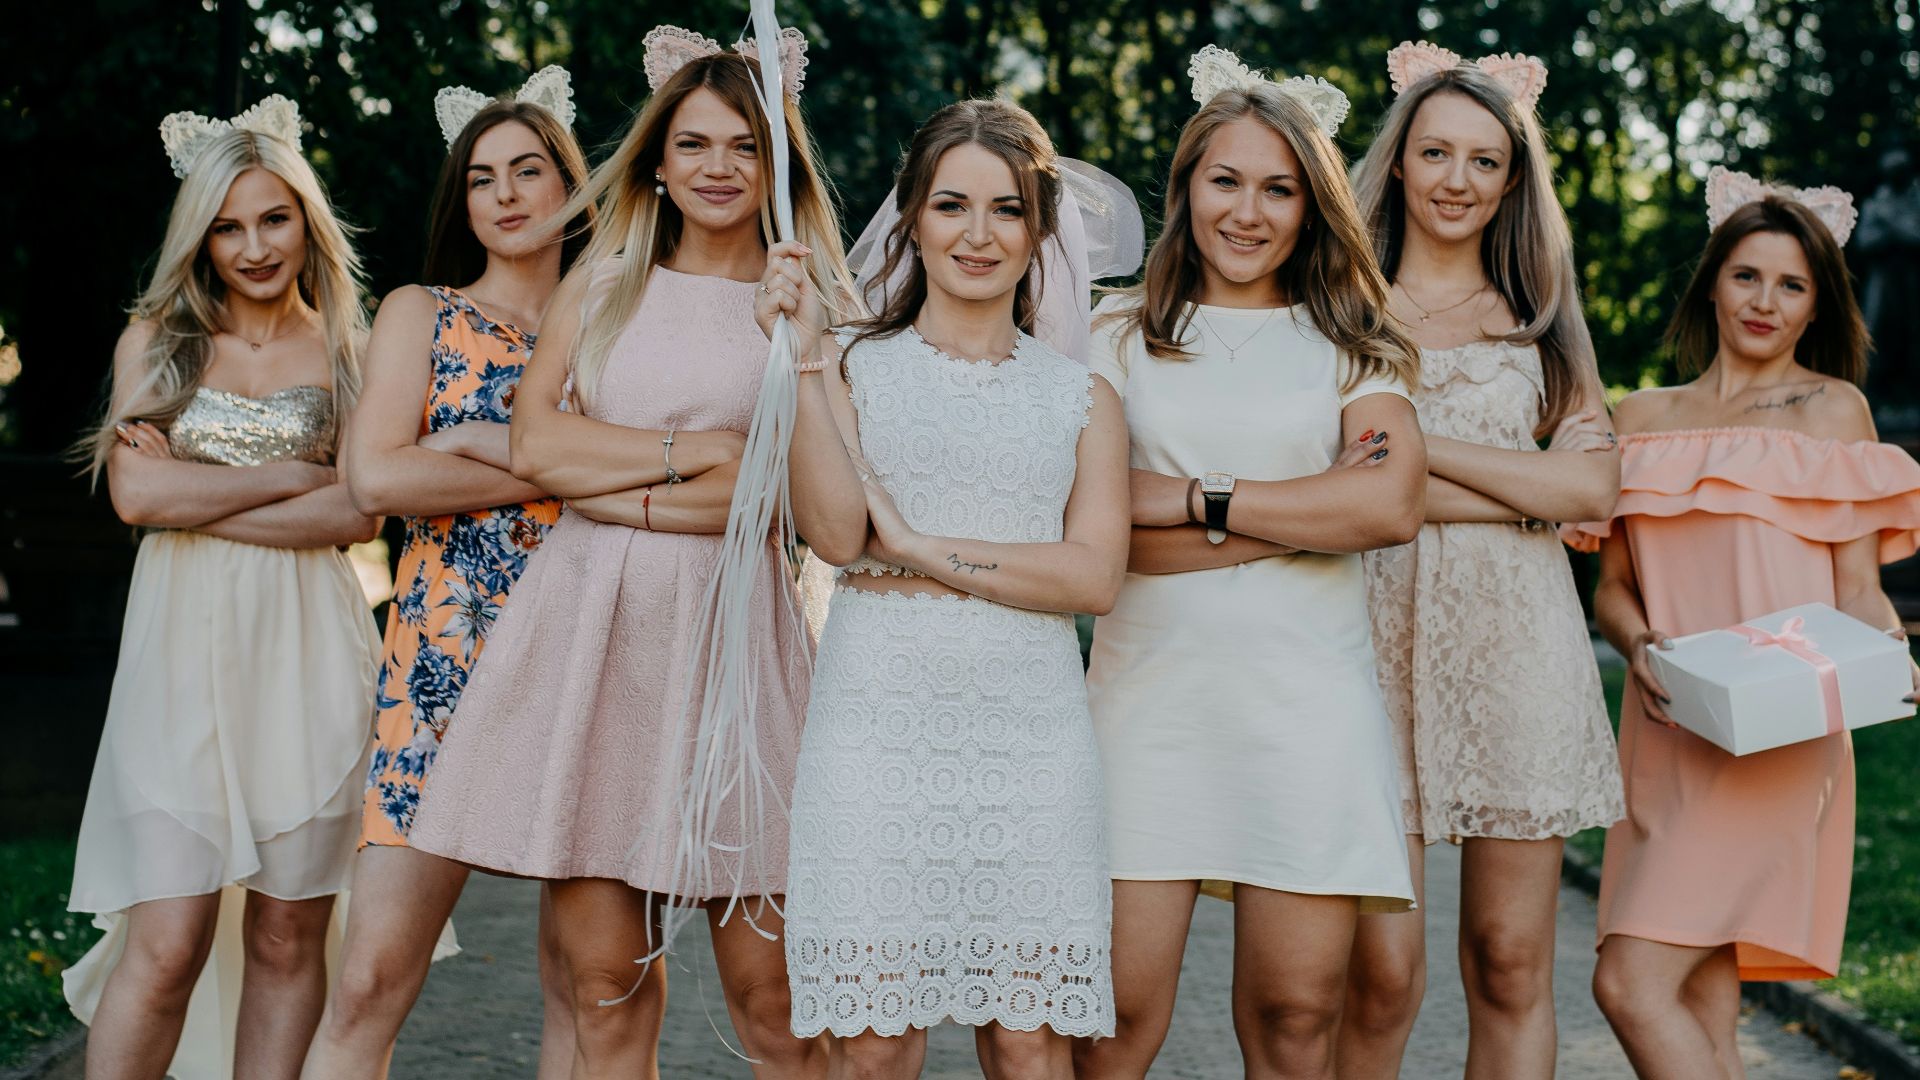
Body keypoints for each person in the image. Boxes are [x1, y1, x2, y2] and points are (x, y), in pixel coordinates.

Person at [405, 26, 850, 1077]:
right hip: (594, 641)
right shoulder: (603, 285)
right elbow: (537, 444)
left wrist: (620, 489)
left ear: (778, 161)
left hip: (737, 651)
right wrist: (686, 457)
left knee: (775, 999)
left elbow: (785, 498)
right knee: (605, 984)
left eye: (746, 146)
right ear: (657, 157)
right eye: (695, 144)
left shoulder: (810, 305)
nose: (719, 168)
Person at [763, 96, 1133, 1079]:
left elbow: (1092, 575)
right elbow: (840, 534)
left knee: (1026, 1039)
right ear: (914, 218)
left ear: (1040, 229)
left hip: (1032, 732)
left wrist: (921, 547)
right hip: (877, 721)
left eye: (1007, 209)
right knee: (876, 1045)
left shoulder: (1083, 398)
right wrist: (802, 354)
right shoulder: (846, 365)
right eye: (951, 205)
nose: (978, 234)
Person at [1075, 47, 1425, 1080]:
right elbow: (1089, 527)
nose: (1249, 211)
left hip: (1306, 710)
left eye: (1280, 189)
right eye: (1226, 180)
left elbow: (1390, 504)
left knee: (1295, 1017)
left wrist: (1190, 498)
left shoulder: (1360, 343)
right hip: (1143, 711)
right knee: (1112, 1018)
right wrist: (1306, 513)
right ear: (1184, 188)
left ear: (1313, 209)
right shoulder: (1111, 333)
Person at [1576, 167, 1920, 1080]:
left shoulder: (1831, 412)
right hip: (1663, 734)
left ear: (1817, 307)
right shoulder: (1638, 420)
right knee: (1701, 1008)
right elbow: (1613, 587)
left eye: (1792, 284)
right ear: (1713, 282)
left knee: (1628, 982)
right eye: (1747, 276)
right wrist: (1640, 645)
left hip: (1782, 731)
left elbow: (1857, 587)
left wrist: (1885, 651)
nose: (1766, 301)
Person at [65, 97, 381, 1080]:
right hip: (179, 668)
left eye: (274, 218)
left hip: (311, 662)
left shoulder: (346, 347)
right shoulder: (155, 342)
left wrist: (193, 496)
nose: (253, 246)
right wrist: (292, 476)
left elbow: (361, 514)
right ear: (198, 234)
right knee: (166, 946)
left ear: (307, 219)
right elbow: (132, 492)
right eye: (228, 225)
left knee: (289, 939)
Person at [1339, 42, 1625, 1080]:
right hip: (1367, 644)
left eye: (1485, 161)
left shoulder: (1542, 320)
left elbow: (1591, 493)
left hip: (1520, 652)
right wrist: (1518, 486)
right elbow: (1337, 485)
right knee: (1381, 971)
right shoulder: (1343, 306)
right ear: (1400, 162)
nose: (1458, 181)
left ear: (1514, 179)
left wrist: (1411, 461)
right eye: (1436, 154)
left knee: (1508, 960)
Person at [301, 71, 590, 1079]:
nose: (505, 194)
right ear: (461, 201)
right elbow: (378, 476)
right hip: (442, 664)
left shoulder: (612, 326)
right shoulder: (423, 312)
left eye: (529, 171)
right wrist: (551, 458)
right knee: (374, 978)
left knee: (592, 982)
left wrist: (476, 442)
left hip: (583, 657)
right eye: (481, 178)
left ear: (574, 186)